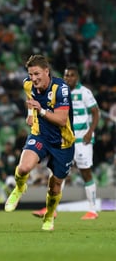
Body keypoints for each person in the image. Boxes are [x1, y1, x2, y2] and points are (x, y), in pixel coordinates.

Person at [4, 55, 75, 231]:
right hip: (40, 135)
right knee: (23, 168)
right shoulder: (28, 84)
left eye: (37, 74)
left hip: (62, 142)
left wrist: (40, 110)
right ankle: (20, 188)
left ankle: (49, 216)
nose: (33, 78)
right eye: (31, 74)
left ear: (46, 71)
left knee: (55, 185)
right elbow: (30, 99)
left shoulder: (61, 88)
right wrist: (30, 114)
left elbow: (61, 119)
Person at [32, 65, 100, 220]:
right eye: (66, 75)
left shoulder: (84, 93)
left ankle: (93, 210)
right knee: (57, 174)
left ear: (77, 77)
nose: (69, 78)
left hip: (82, 140)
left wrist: (90, 132)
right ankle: (51, 209)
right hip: (65, 140)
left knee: (85, 173)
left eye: (72, 75)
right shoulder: (60, 92)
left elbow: (96, 113)